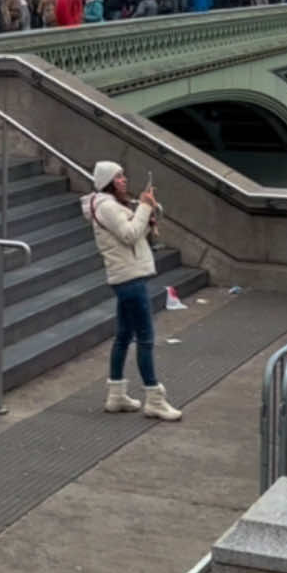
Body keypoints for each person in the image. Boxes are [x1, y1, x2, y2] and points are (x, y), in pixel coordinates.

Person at [80, 161, 182, 421]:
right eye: (119, 176)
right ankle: (154, 399)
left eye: (124, 175)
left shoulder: (109, 206)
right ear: (108, 181)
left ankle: (116, 394)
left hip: (125, 276)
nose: (125, 180)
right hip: (129, 278)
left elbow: (133, 234)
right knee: (145, 338)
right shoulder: (108, 207)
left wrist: (146, 217)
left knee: (124, 335)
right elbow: (128, 234)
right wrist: (145, 207)